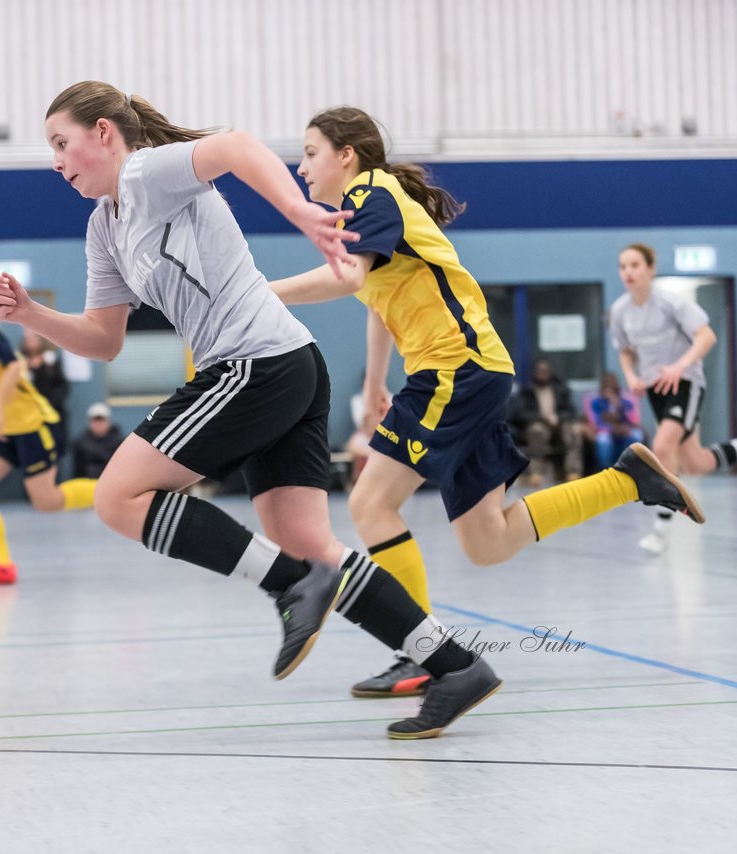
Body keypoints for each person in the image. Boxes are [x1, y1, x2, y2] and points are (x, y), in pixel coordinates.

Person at [0, 81, 504, 740]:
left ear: (105, 135)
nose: (57, 161)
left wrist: (301, 211)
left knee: (118, 497)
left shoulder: (148, 173)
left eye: (63, 143)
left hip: (256, 364)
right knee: (310, 541)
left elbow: (233, 146)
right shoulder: (104, 229)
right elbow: (104, 340)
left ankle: (290, 585)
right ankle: (454, 667)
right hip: (284, 365)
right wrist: (33, 314)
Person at [269, 106, 703, 701]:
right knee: (488, 541)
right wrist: (375, 380)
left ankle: (418, 652)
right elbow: (373, 295)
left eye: (311, 150)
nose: (301, 165)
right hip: (464, 369)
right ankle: (627, 481)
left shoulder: (374, 192)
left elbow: (345, 280)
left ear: (347, 154)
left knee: (371, 504)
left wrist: (263, 294)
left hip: (456, 367)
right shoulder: (365, 209)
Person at [0, 280, 98, 584]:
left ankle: (111, 490)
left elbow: (12, 368)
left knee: (46, 502)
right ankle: (0, 567)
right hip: (2, 428)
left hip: (30, 425)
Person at [610, 242, 737, 553]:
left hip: (685, 383)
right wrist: (632, 376)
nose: (628, 272)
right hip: (655, 389)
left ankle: (660, 529)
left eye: (635, 265)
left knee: (662, 447)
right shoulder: (620, 310)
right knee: (697, 463)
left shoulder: (670, 303)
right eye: (623, 266)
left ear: (650, 269)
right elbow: (625, 350)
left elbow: (707, 336)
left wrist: (678, 368)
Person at [508, 359, 583, 484]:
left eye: (545, 370)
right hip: (537, 423)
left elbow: (570, 411)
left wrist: (559, 418)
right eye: (540, 371)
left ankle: (573, 471)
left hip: (559, 423)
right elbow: (520, 414)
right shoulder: (527, 392)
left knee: (573, 431)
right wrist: (541, 417)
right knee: (538, 431)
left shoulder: (561, 390)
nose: (543, 373)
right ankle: (536, 472)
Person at [586, 372, 645, 468]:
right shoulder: (595, 401)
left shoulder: (626, 400)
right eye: (606, 391)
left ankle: (629, 467)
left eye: (612, 391)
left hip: (625, 429)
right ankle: (606, 468)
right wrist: (611, 429)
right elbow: (594, 423)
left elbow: (634, 421)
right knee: (603, 440)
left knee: (636, 436)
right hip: (605, 430)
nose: (609, 394)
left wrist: (619, 406)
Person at [21, 330, 70, 424]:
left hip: (52, 407)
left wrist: (50, 403)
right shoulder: (20, 361)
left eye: (33, 338)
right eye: (27, 339)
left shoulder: (50, 360)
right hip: (29, 410)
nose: (30, 341)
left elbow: (62, 385)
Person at [71, 402, 124, 479]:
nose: (99, 424)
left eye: (102, 420)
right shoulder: (80, 443)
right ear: (90, 422)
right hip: (87, 485)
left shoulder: (120, 442)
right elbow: (78, 470)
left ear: (108, 421)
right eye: (95, 420)